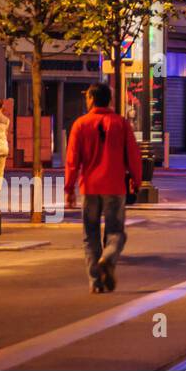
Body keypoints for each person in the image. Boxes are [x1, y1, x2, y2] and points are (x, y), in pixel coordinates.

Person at [65, 83, 142, 293]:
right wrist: (137, 179)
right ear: (109, 100)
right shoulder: (121, 123)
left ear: (91, 98)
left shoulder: (80, 124)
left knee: (89, 235)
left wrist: (69, 188)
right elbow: (133, 155)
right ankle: (108, 257)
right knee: (116, 232)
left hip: (89, 187)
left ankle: (96, 282)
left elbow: (72, 159)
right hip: (115, 186)